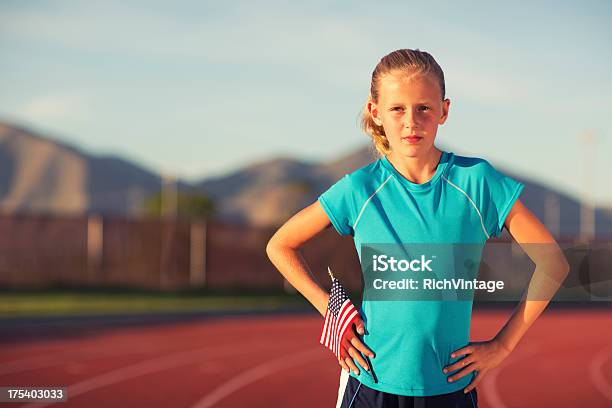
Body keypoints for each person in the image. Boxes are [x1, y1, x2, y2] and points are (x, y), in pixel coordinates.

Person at [266, 48, 569, 408]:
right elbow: (280, 245)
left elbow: (554, 263)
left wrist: (503, 345)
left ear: (444, 110)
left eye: (424, 107)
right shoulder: (359, 189)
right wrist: (329, 310)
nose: (411, 121)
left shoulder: (476, 182)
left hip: (451, 386)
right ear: (375, 112)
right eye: (397, 108)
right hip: (371, 384)